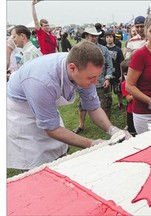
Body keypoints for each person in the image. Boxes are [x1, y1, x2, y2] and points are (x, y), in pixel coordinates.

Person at [7, 41, 131, 171]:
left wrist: (112, 130)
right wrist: (92, 144)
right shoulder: (42, 82)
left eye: (97, 77)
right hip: (21, 114)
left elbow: (93, 107)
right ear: (72, 68)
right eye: (91, 78)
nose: (94, 82)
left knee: (60, 155)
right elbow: (52, 129)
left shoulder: (82, 68)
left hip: (44, 104)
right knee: (37, 168)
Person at [73, 26, 114, 134]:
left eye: (96, 36)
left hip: (101, 81)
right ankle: (81, 125)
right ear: (86, 36)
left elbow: (110, 66)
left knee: (106, 103)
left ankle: (108, 125)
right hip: (85, 83)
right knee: (82, 105)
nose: (94, 38)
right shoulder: (79, 50)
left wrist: (107, 78)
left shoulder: (104, 49)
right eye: (92, 36)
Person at [105, 31, 125, 109]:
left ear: (113, 38)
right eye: (107, 37)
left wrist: (121, 75)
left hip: (116, 74)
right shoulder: (103, 49)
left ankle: (121, 104)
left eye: (110, 37)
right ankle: (107, 105)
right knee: (107, 91)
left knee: (119, 91)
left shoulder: (118, 50)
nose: (109, 39)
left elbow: (121, 63)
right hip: (107, 74)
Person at [120, 59, 137, 137]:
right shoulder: (124, 84)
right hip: (131, 111)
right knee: (133, 132)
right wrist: (137, 93)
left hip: (140, 110)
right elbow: (128, 99)